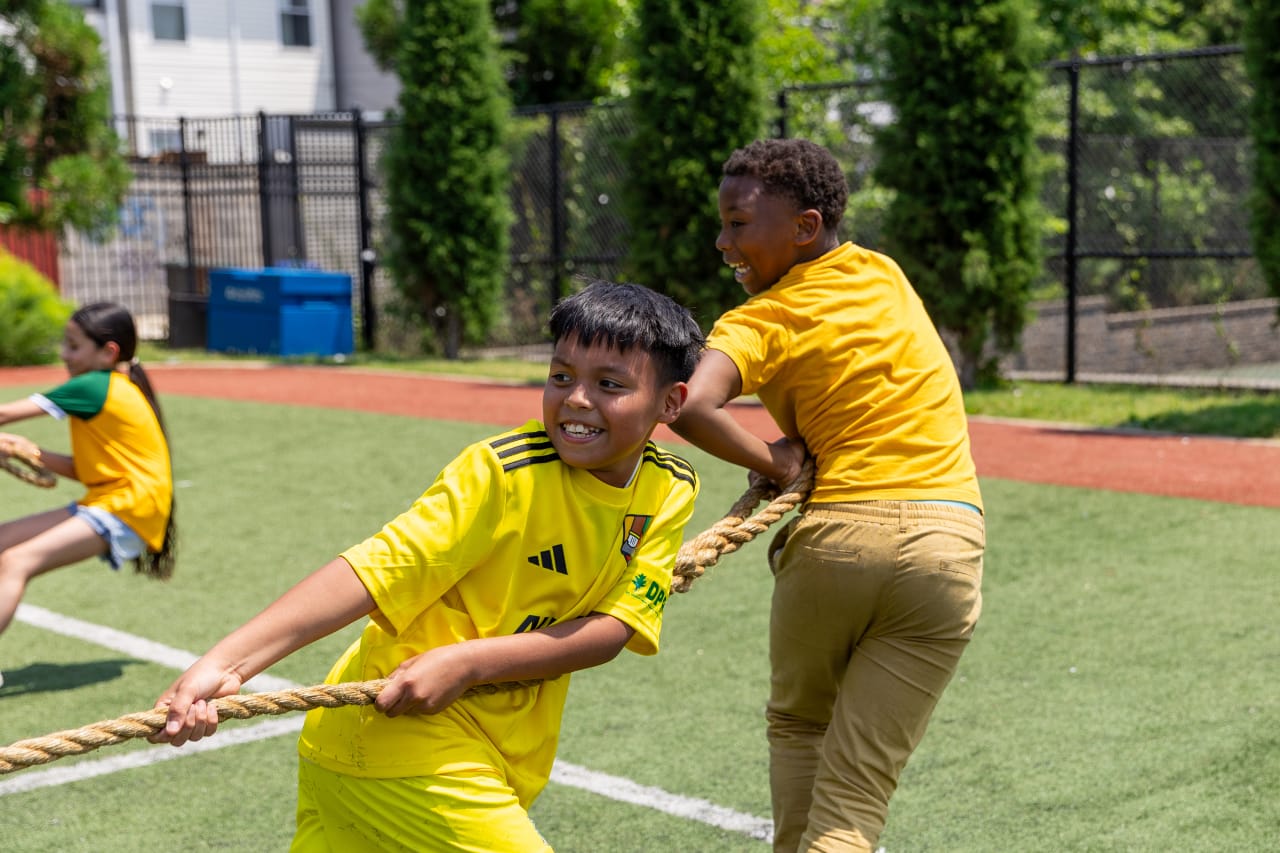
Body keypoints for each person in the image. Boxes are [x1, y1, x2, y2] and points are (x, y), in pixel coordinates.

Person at [150, 280, 704, 852]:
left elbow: (614, 629)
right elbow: (376, 568)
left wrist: (468, 662)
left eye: (609, 384)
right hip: (399, 741)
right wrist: (228, 665)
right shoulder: (502, 473)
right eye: (561, 376)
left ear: (670, 403)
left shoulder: (670, 488)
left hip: (482, 748)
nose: (578, 400)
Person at [670, 138, 985, 853]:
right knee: (852, 810)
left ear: (805, 227)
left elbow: (689, 404)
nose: (723, 243)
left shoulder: (759, 319)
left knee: (800, 727)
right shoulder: (884, 274)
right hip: (946, 546)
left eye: (739, 223)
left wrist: (773, 460)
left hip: (837, 543)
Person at [0, 302, 177, 685]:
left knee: (16, 561)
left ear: (107, 352)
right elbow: (85, 470)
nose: (64, 354)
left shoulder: (93, 384)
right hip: (114, 499)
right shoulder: (108, 387)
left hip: (130, 504)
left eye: (73, 345)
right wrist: (25, 450)